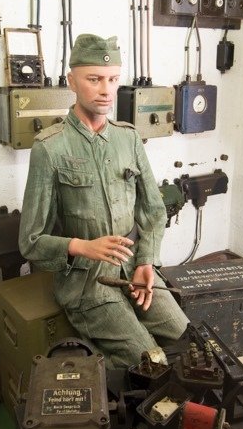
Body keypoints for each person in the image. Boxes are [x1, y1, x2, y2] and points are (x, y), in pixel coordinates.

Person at [19, 33, 188, 368]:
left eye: (112, 79)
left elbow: (153, 211)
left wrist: (146, 262)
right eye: (94, 79)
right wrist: (83, 246)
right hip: (87, 282)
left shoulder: (128, 139)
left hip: (133, 267)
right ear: (72, 81)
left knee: (185, 336)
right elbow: (30, 241)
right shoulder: (50, 147)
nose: (106, 89)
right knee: (150, 359)